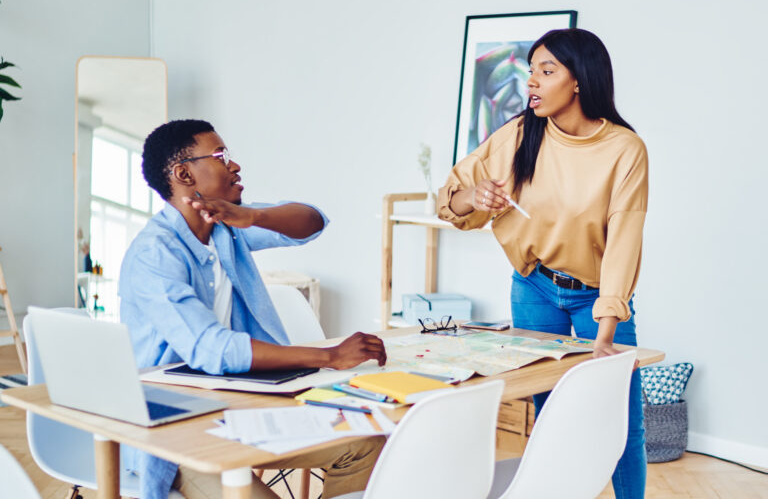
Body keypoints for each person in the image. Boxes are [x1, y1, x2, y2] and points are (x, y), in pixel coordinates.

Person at [119, 119, 387, 499]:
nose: (235, 166)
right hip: (173, 431)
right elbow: (211, 348)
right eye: (220, 156)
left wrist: (256, 217)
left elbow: (313, 221)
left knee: (366, 444)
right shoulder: (154, 255)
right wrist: (329, 355)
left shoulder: (226, 226)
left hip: (240, 404)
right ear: (183, 173)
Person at [438, 29, 648, 498]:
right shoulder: (517, 134)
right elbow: (449, 200)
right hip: (533, 288)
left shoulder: (624, 150)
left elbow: (624, 240)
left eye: (547, 71)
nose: (531, 82)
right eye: (531, 70)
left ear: (579, 81)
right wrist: (476, 195)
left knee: (622, 425)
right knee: (551, 418)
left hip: (598, 296)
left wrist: (607, 332)